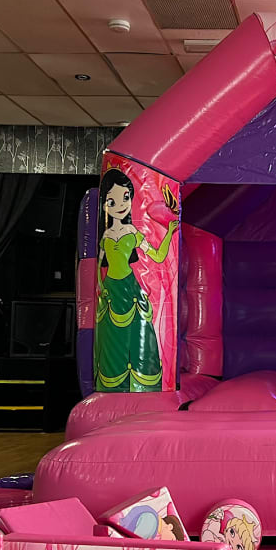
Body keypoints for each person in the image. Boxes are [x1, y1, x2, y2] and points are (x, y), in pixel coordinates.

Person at [94, 167, 178, 392]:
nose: (121, 205)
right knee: (113, 338)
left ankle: (141, 383)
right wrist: (101, 286)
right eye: (112, 201)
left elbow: (158, 256)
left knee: (136, 335)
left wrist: (169, 233)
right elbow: (100, 265)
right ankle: (113, 383)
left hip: (129, 287)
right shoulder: (106, 236)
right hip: (111, 290)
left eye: (125, 198)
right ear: (105, 205)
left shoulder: (132, 232)